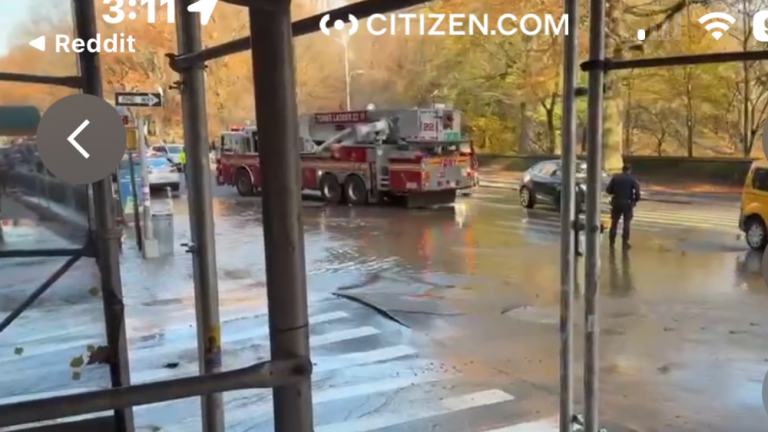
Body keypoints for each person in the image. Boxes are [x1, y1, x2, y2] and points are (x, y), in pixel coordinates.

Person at [606, 164, 641, 250]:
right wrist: (634, 201)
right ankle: (625, 243)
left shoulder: (615, 178)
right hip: (627, 204)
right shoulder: (632, 179)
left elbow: (608, 190)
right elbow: (637, 193)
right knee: (626, 223)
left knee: (614, 222)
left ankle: (611, 241)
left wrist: (615, 192)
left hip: (616, 202)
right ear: (630, 170)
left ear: (622, 169)